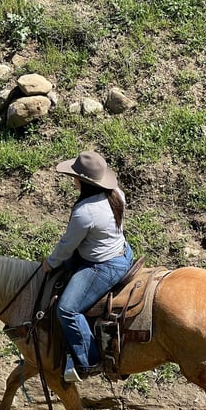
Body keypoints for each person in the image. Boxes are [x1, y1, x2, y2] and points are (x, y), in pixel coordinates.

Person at [42, 151, 133, 383]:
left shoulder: (85, 212)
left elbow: (67, 246)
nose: (72, 179)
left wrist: (49, 263)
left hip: (103, 266)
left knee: (67, 310)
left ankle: (89, 360)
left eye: (75, 176)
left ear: (82, 181)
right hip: (123, 252)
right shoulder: (117, 194)